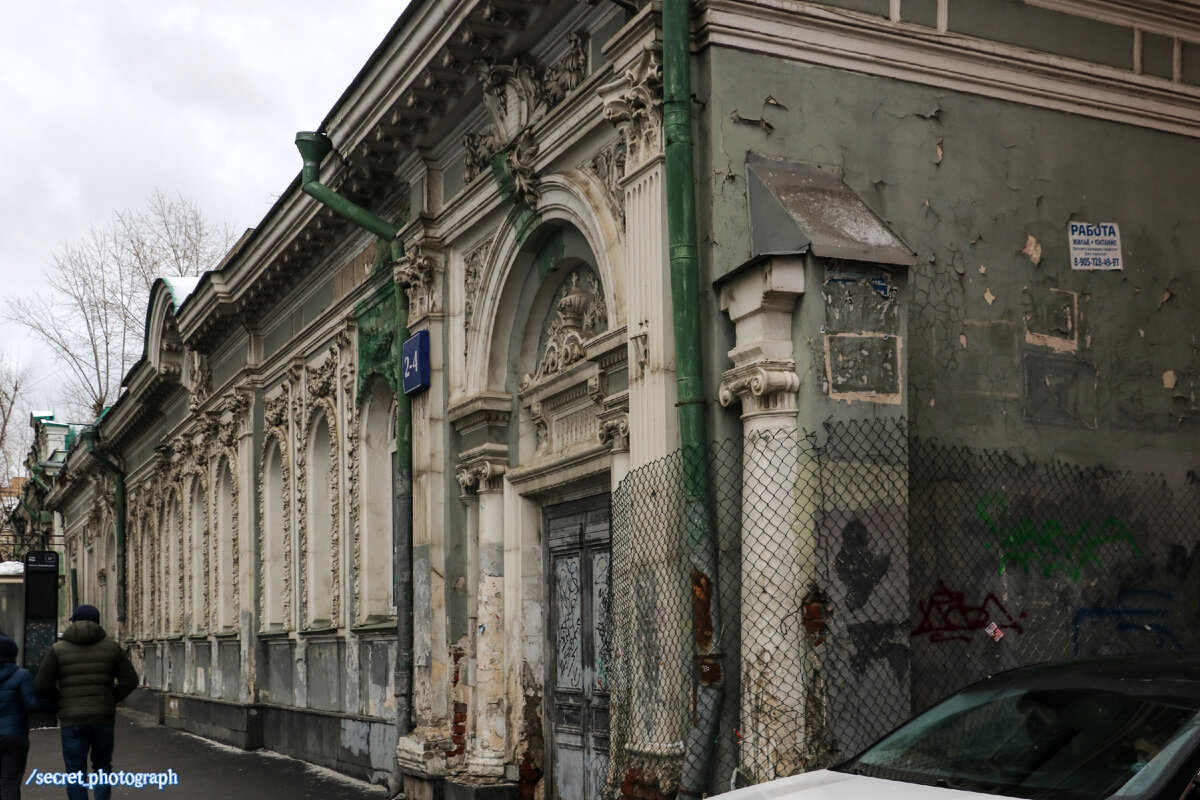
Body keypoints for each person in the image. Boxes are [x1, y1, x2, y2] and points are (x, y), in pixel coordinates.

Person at [35, 605, 138, 800]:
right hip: (103, 718)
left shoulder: (58, 649)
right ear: (98, 622)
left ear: (73, 622)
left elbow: (41, 684)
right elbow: (130, 680)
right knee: (102, 765)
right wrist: (110, 698)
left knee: (75, 769)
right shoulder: (112, 648)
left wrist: (61, 700)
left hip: (72, 720)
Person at [0, 636, 53, 800]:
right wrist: (55, 707)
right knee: (10, 782)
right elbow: (32, 703)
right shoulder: (22, 675)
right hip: (14, 735)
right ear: (14, 655)